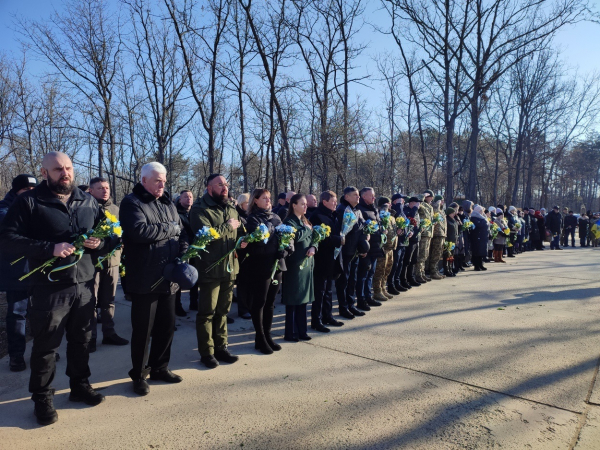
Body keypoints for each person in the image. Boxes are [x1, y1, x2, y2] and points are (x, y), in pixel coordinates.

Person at [0, 152, 105, 425]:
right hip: (49, 288)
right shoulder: (29, 202)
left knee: (82, 340)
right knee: (46, 346)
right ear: (45, 172)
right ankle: (42, 397)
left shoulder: (87, 200)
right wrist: (49, 248)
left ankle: (79, 386)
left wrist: (99, 242)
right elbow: (8, 239)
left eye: (69, 168)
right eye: (58, 169)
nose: (65, 173)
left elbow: (107, 232)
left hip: (83, 283)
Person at [120, 162, 187, 395]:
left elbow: (181, 232)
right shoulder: (131, 203)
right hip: (144, 277)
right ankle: (138, 374)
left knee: (166, 326)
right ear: (144, 180)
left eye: (164, 180)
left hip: (169, 275)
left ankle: (160, 367)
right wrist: (170, 228)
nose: (162, 184)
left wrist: (184, 250)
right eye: (157, 180)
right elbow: (139, 232)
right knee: (143, 330)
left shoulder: (168, 203)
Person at [190, 174, 246, 369]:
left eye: (226, 184)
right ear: (209, 187)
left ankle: (221, 347)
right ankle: (207, 352)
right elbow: (204, 236)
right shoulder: (200, 208)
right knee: (207, 312)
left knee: (223, 311)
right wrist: (227, 226)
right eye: (220, 185)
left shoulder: (231, 207)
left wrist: (243, 240)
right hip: (210, 267)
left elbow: (238, 231)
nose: (225, 188)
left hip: (230, 267)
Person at [243, 189, 290, 354]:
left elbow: (285, 236)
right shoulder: (252, 219)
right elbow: (259, 243)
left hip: (277, 266)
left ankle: (268, 335)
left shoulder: (276, 216)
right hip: (261, 267)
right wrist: (272, 228)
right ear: (255, 200)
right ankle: (260, 337)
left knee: (271, 302)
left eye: (269, 198)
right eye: (264, 198)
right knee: (260, 302)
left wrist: (285, 249)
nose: (268, 201)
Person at [0, 174, 38, 372]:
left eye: (33, 190)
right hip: (17, 270)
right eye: (26, 190)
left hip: (38, 268)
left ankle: (41, 350)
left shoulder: (36, 206)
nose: (30, 194)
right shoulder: (4, 209)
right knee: (17, 314)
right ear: (16, 190)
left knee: (40, 311)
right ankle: (16, 355)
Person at [87, 177, 128, 352]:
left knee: (109, 300)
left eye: (107, 187)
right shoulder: (86, 208)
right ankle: (90, 338)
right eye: (100, 188)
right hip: (92, 262)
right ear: (91, 190)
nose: (105, 191)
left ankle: (109, 333)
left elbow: (123, 230)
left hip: (112, 261)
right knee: (90, 301)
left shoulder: (116, 209)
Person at [309, 190, 344, 331]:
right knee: (320, 292)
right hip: (321, 259)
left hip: (332, 259)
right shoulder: (317, 216)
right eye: (333, 201)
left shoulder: (333, 215)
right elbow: (319, 239)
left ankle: (327, 316)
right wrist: (338, 240)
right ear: (325, 202)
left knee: (328, 290)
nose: (336, 203)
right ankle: (316, 321)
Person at [282, 194, 316, 341]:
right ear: (294, 205)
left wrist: (314, 247)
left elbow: (315, 237)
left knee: (303, 300)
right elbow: (294, 237)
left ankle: (302, 331)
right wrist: (308, 229)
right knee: (293, 301)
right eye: (302, 204)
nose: (305, 206)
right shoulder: (289, 221)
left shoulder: (304, 220)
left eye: (305, 204)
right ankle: (290, 333)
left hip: (307, 265)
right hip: (295, 265)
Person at [334, 187, 368, 320]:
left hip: (354, 251)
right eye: (355, 195)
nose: (358, 197)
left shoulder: (357, 210)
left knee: (352, 280)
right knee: (343, 281)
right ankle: (343, 308)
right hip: (344, 252)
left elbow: (361, 228)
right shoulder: (342, 210)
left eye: (358, 195)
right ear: (347, 197)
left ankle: (351, 305)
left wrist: (363, 246)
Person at [356, 187, 383, 310]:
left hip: (375, 247)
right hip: (366, 249)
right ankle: (361, 300)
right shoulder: (360, 209)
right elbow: (359, 230)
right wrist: (362, 249)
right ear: (363, 196)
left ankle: (368, 297)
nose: (374, 198)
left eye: (374, 195)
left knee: (370, 273)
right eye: (371, 195)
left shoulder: (374, 209)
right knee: (363, 275)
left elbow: (378, 224)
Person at [174, 190, 199, 315]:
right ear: (180, 199)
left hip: (196, 248)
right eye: (186, 197)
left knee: (194, 277)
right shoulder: (176, 213)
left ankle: (194, 302)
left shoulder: (195, 212)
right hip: (182, 249)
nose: (189, 199)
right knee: (180, 278)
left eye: (190, 196)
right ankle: (177, 306)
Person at [372, 197, 396, 301]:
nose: (390, 205)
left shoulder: (391, 216)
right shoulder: (380, 214)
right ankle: (377, 291)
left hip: (390, 247)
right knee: (380, 271)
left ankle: (383, 288)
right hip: (383, 248)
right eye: (388, 204)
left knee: (387, 270)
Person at [388, 194, 409, 293]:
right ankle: (391, 284)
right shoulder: (395, 209)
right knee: (395, 264)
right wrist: (399, 205)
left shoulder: (401, 209)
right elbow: (398, 216)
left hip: (403, 241)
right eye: (401, 200)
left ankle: (397, 282)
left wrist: (408, 232)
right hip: (396, 242)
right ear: (395, 201)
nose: (403, 201)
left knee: (400, 264)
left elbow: (404, 222)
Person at [234, 193, 251, 320]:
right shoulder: (238, 217)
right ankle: (243, 308)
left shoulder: (250, 216)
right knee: (243, 283)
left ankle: (249, 306)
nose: (250, 205)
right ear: (241, 204)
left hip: (251, 253)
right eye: (247, 203)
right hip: (240, 254)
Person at [400, 196, 421, 288]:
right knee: (407, 261)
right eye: (417, 203)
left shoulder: (416, 211)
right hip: (409, 240)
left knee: (413, 260)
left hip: (416, 238)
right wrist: (415, 208)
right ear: (411, 203)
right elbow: (410, 219)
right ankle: (403, 279)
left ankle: (411, 277)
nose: (419, 205)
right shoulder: (406, 210)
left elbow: (417, 223)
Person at [415, 190, 434, 282]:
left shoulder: (430, 206)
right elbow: (416, 202)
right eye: (430, 196)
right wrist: (422, 195)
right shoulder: (421, 204)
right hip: (423, 233)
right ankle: (418, 274)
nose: (432, 198)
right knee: (421, 255)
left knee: (425, 255)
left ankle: (422, 273)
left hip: (428, 233)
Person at [428, 195, 446, 279]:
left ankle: (436, 270)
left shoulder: (442, 210)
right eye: (441, 201)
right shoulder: (434, 208)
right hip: (436, 234)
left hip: (442, 234)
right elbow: (434, 212)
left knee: (438, 254)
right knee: (435, 254)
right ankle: (433, 271)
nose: (442, 202)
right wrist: (437, 204)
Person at [469, 205, 489, 271]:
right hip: (477, 237)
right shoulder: (474, 217)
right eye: (480, 211)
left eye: (482, 211)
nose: (481, 212)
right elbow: (479, 225)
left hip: (482, 237)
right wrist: (484, 221)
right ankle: (476, 265)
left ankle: (481, 264)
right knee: (477, 252)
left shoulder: (482, 217)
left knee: (481, 252)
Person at [444, 207, 458, 277]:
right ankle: (446, 270)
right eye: (452, 213)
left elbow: (456, 231)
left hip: (453, 241)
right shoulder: (447, 221)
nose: (454, 214)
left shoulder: (454, 220)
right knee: (447, 256)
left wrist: (456, 240)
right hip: (448, 241)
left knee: (451, 256)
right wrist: (446, 241)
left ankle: (450, 269)